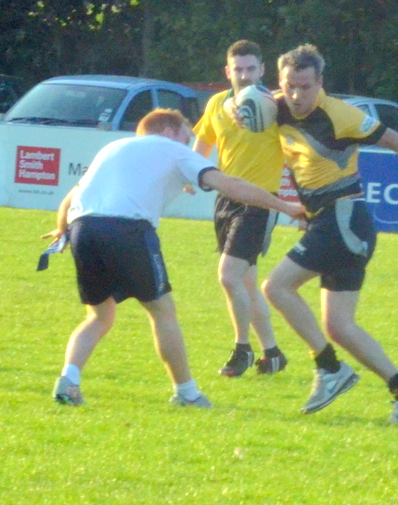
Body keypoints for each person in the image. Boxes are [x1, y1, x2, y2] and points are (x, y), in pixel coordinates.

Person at [46, 109, 307, 408]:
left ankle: (69, 380)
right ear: (169, 132)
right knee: (163, 312)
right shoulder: (173, 150)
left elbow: (72, 195)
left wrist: (61, 229)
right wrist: (286, 206)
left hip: (82, 229)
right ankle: (187, 393)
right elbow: (232, 186)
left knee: (99, 316)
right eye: (186, 136)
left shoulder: (114, 147)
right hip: (127, 229)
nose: (189, 143)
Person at [261, 44, 398, 423]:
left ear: (320, 83)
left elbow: (397, 142)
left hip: (342, 220)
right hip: (335, 223)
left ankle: (329, 368)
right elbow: (246, 108)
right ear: (281, 81)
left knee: (276, 287)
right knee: (338, 326)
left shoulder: (341, 115)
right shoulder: (275, 107)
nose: (297, 95)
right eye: (290, 86)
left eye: (305, 86)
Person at [192, 40, 291, 378]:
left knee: (228, 276)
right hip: (225, 199)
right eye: (238, 69)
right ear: (227, 71)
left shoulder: (275, 105)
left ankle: (242, 350)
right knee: (246, 283)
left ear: (262, 70)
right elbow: (203, 142)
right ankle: (272, 353)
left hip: (260, 203)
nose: (245, 75)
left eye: (251, 69)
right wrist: (192, 173)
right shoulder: (217, 103)